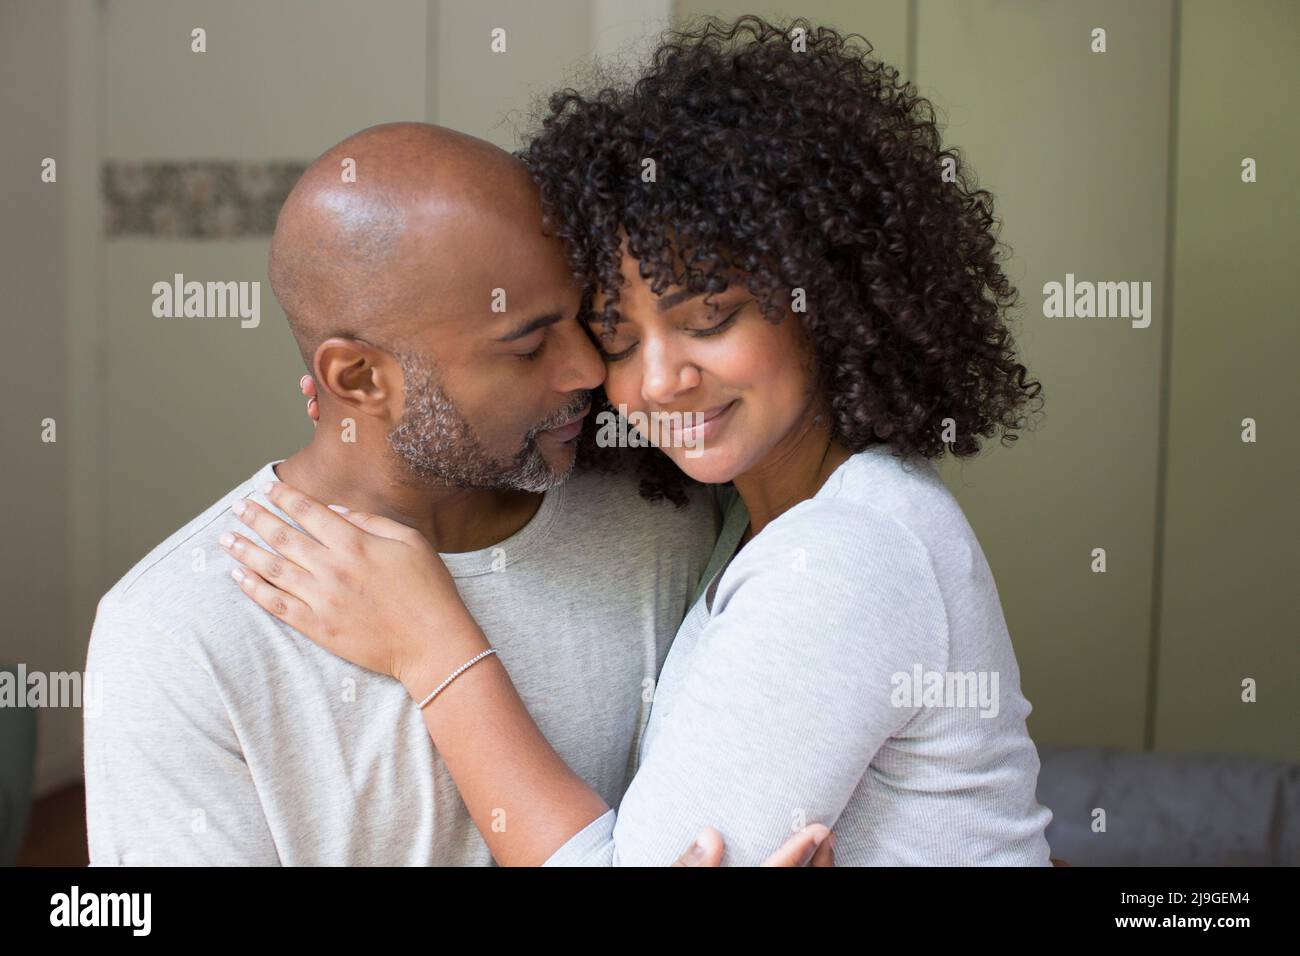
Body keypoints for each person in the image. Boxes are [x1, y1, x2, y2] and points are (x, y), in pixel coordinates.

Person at [227, 17, 1054, 865]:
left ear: (828, 299)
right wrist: (383, 406)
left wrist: (429, 641)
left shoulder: (843, 558)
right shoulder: (746, 515)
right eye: (617, 339)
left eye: (711, 318)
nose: (658, 381)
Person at [84, 121, 830, 867]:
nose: (588, 370)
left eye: (585, 323)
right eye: (531, 346)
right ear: (358, 379)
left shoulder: (665, 511)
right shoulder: (177, 637)